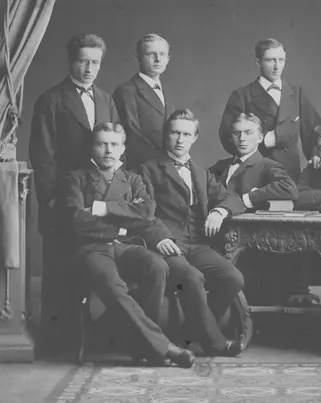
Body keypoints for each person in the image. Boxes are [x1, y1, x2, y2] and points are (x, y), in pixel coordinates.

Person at [62, 122, 195, 368]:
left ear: (123, 149)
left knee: (157, 266)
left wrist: (102, 209)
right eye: (102, 144)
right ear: (92, 147)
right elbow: (78, 220)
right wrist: (124, 223)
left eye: (114, 145)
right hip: (92, 249)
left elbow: (146, 211)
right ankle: (159, 347)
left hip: (127, 246)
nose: (108, 150)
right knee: (111, 282)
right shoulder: (76, 178)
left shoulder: (133, 179)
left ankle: (142, 345)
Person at [29, 33, 120, 352]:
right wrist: (52, 199)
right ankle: (58, 343)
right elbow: (43, 156)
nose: (89, 68)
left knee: (98, 266)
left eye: (95, 62)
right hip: (63, 199)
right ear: (71, 61)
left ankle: (96, 338)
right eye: (83, 61)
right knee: (61, 271)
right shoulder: (51, 100)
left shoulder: (106, 100)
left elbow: (114, 147)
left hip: (99, 196)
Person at [139, 109, 246, 357]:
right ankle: (214, 343)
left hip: (196, 244)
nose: (180, 139)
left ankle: (192, 329)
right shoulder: (149, 169)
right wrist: (159, 237)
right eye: (175, 133)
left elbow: (233, 198)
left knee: (233, 278)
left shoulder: (200, 172)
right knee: (192, 277)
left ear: (195, 138)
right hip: (166, 244)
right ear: (166, 135)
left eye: (186, 134)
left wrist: (219, 211)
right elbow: (144, 211)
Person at [218, 38, 321, 181]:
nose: (277, 66)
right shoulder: (242, 96)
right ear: (258, 62)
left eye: (281, 60)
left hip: (290, 175)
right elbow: (226, 136)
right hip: (255, 174)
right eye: (270, 60)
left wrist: (315, 155)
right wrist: (264, 141)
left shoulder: (297, 94)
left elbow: (315, 131)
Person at [210, 113, 298, 211]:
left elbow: (289, 188)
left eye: (248, 133)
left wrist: (249, 198)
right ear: (231, 138)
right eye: (236, 133)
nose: (242, 138)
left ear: (260, 138)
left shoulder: (268, 166)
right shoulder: (220, 166)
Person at [113, 33, 174, 170]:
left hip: (166, 166)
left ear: (168, 59)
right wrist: (161, 162)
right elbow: (132, 135)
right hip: (142, 167)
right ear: (138, 58)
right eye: (151, 54)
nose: (158, 59)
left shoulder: (166, 91)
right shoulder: (127, 90)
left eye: (162, 54)